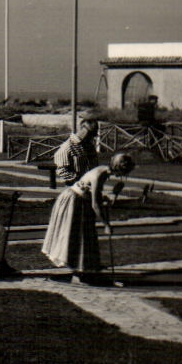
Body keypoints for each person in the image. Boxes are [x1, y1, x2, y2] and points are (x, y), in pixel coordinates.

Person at [41, 152, 136, 285]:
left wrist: (102, 198)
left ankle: (83, 270)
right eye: (125, 172)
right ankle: (79, 274)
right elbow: (95, 205)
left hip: (79, 200)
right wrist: (106, 225)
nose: (124, 175)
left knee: (84, 236)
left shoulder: (104, 170)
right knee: (77, 236)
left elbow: (92, 193)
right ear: (119, 168)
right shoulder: (100, 175)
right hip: (73, 201)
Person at [52, 117, 98, 187]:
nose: (92, 137)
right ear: (82, 129)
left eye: (93, 134)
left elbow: (95, 164)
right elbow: (61, 171)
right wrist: (79, 180)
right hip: (74, 187)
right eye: (90, 133)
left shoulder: (89, 146)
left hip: (91, 186)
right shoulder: (67, 147)